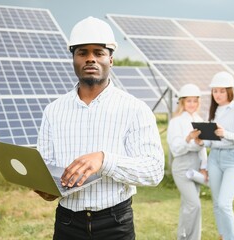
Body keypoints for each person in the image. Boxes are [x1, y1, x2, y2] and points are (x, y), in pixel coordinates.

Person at [34, 16, 164, 240]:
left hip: (115, 223)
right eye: (82, 52)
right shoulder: (53, 111)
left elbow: (153, 170)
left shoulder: (135, 109)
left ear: (111, 60)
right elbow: (44, 166)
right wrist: (44, 187)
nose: (90, 59)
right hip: (67, 222)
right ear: (73, 58)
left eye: (99, 52)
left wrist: (104, 160)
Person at [197, 71, 234, 240]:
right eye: (214, 91)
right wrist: (201, 141)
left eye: (221, 91)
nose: (217, 95)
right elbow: (211, 141)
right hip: (215, 159)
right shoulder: (213, 111)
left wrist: (224, 133)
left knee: (224, 203)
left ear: (229, 91)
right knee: (217, 204)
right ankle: (223, 236)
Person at [167, 84, 208, 240]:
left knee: (188, 206)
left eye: (195, 101)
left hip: (196, 167)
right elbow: (175, 149)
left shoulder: (199, 120)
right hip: (182, 167)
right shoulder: (175, 122)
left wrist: (204, 166)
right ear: (182, 102)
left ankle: (184, 237)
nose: (192, 104)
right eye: (188, 101)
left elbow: (203, 147)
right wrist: (189, 138)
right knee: (194, 205)